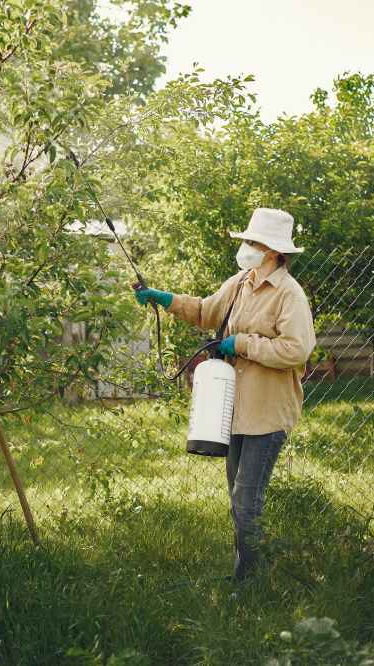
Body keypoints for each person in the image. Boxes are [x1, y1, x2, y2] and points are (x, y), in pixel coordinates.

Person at [135, 208, 316, 581]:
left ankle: (249, 583)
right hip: (234, 408)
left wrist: (243, 343)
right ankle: (247, 573)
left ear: (272, 251)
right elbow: (204, 310)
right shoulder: (241, 282)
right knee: (238, 499)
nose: (245, 247)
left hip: (267, 412)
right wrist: (162, 298)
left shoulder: (288, 294)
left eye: (252, 242)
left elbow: (297, 350)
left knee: (247, 502)